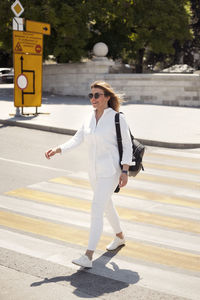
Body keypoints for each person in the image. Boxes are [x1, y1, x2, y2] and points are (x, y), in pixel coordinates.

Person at [45, 81, 133, 268]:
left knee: (96, 208)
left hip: (110, 171)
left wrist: (125, 171)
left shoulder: (117, 118)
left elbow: (127, 145)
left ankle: (88, 255)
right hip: (93, 171)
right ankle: (119, 237)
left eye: (97, 95)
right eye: (91, 95)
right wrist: (58, 149)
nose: (93, 99)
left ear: (107, 97)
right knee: (106, 205)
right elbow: (77, 139)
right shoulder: (89, 118)